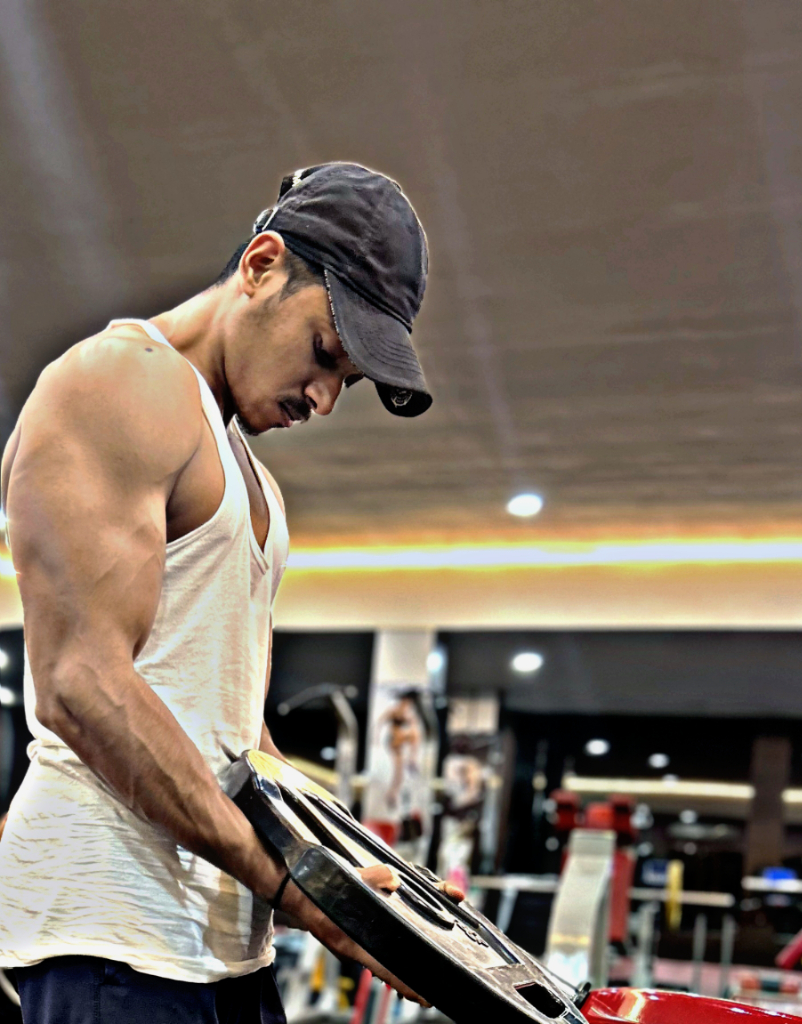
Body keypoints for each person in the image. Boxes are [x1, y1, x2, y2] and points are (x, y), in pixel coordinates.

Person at [0, 163, 458, 1023]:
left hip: (224, 942)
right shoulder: (121, 382)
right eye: (326, 352)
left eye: (348, 382)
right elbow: (81, 683)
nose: (325, 398)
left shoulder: (252, 479)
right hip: (112, 934)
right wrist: (294, 885)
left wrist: (347, 867)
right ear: (261, 265)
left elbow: (236, 733)